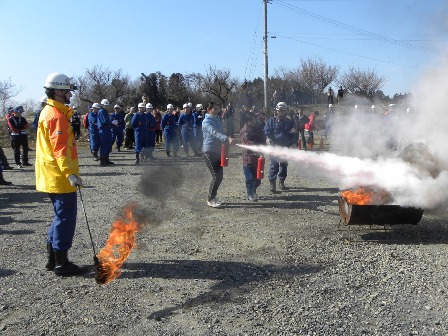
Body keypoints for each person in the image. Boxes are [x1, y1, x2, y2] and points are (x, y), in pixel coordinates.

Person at [35, 72, 85, 276]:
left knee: (58, 217)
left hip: (51, 175)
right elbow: (60, 150)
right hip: (60, 177)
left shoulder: (50, 112)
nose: (70, 95)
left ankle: (52, 259)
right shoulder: (56, 116)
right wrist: (70, 174)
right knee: (65, 218)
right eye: (67, 91)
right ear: (57, 91)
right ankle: (61, 264)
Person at [202, 102, 234, 208]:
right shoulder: (206, 122)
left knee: (220, 176)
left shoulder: (217, 120)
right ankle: (210, 199)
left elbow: (221, 132)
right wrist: (226, 139)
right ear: (209, 109)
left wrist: (228, 136)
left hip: (217, 151)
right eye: (214, 109)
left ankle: (214, 197)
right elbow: (214, 133)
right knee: (216, 176)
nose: (216, 111)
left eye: (217, 109)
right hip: (208, 151)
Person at [264, 102, 293, 193]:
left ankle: (281, 181)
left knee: (284, 164)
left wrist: (293, 143)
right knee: (274, 165)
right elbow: (266, 131)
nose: (280, 112)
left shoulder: (289, 122)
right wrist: (268, 138)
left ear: (285, 111)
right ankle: (272, 182)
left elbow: (292, 133)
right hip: (274, 147)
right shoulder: (271, 121)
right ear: (276, 110)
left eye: (282, 111)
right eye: (279, 110)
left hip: (285, 146)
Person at [240, 112, 265, 201]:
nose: (254, 121)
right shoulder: (245, 131)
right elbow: (249, 144)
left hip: (258, 159)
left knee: (258, 178)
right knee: (250, 178)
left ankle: (254, 191)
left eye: (254, 119)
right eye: (252, 120)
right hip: (248, 160)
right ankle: (250, 194)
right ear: (247, 121)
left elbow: (262, 137)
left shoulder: (257, 128)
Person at [97, 99, 115, 165]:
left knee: (108, 144)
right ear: (102, 105)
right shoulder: (101, 112)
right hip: (103, 130)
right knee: (104, 145)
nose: (107, 106)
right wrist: (112, 122)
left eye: (107, 105)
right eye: (105, 105)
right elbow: (104, 121)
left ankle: (106, 159)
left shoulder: (105, 111)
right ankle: (102, 160)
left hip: (107, 129)